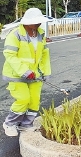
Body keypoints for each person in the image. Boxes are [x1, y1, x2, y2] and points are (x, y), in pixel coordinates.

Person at [2, 8, 51, 136]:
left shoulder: (40, 33)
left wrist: (45, 72)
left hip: (35, 75)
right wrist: (24, 71)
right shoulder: (15, 34)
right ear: (27, 22)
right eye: (36, 22)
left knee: (34, 100)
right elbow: (10, 55)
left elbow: (44, 54)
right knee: (23, 99)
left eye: (39, 22)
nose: (39, 24)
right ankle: (9, 124)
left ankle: (26, 124)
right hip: (16, 75)